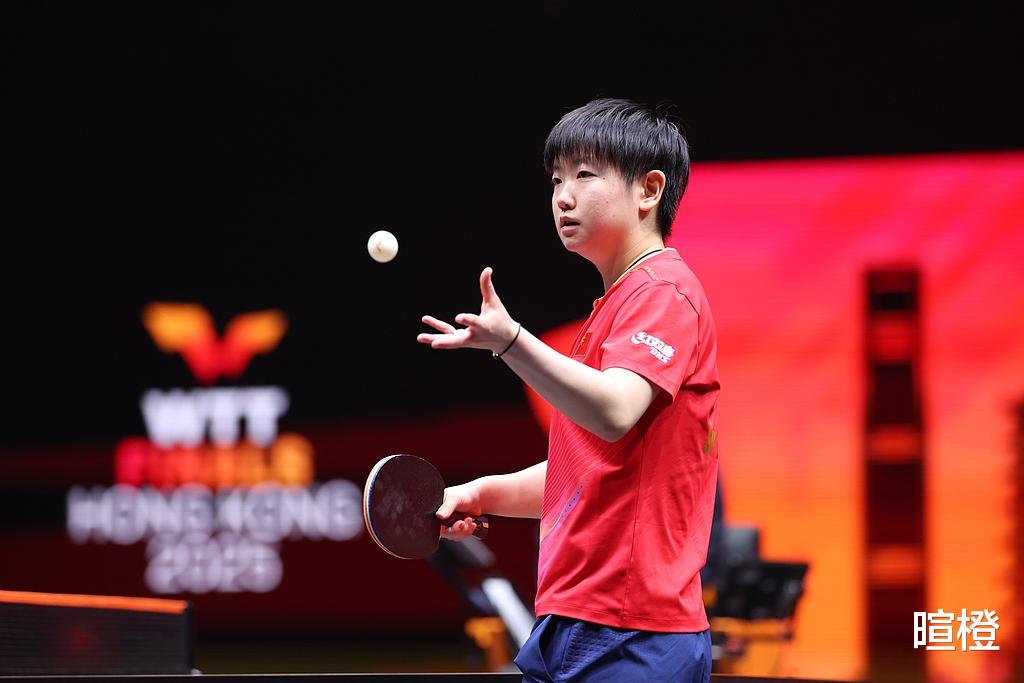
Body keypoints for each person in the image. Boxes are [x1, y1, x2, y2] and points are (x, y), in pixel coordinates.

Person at [417, 97, 720, 683]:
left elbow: (615, 411)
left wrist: (511, 342)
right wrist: (483, 493)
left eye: (584, 175)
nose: (562, 196)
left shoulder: (665, 291)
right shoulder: (613, 309)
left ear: (649, 190)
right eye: (556, 179)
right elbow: (584, 471)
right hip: (573, 620)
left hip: (632, 631)